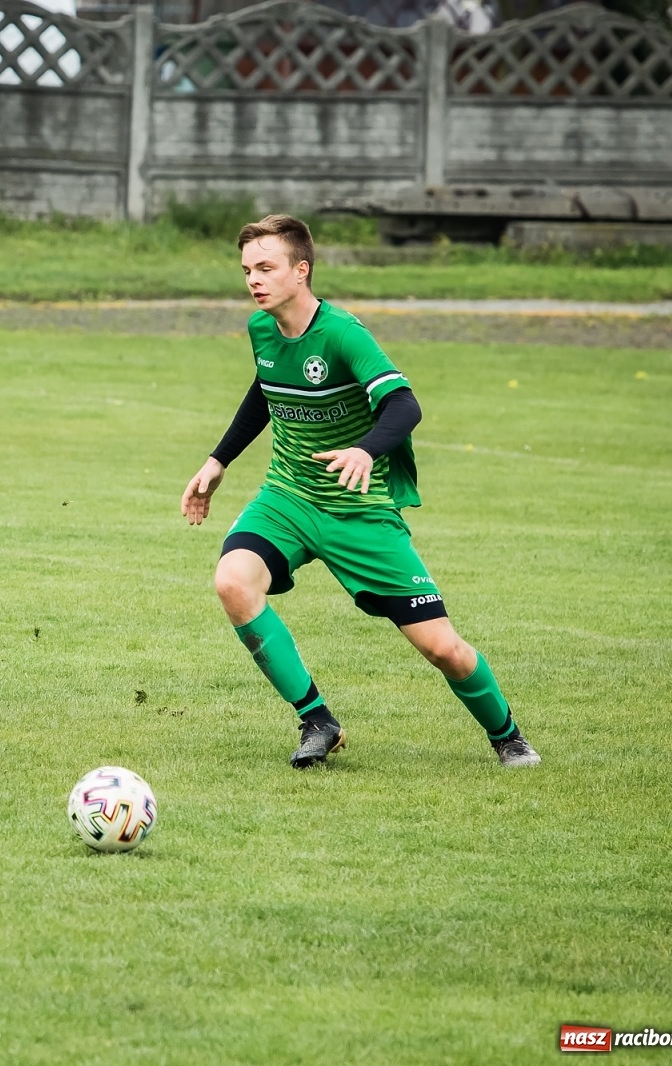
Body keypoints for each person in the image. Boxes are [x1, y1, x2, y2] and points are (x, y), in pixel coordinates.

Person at [180, 214, 540, 769]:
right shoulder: (262, 329)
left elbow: (404, 404)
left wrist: (365, 451)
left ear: (301, 270)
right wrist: (218, 460)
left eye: (266, 268)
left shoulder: (344, 334)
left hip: (359, 511)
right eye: (248, 269)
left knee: (442, 648)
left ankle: (508, 736)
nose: (254, 279)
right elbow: (266, 388)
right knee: (233, 582)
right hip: (288, 499)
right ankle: (317, 720)